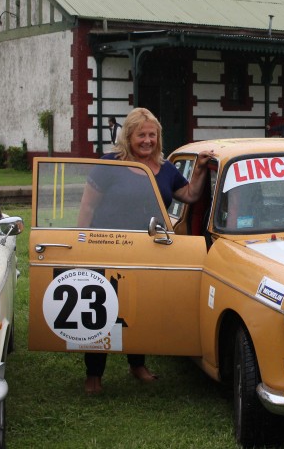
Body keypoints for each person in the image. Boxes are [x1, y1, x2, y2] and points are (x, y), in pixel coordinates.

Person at [78, 107, 214, 394]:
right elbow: (88, 205)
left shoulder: (165, 168)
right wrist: (82, 241)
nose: (147, 141)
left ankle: (137, 365)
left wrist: (200, 170)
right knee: (101, 309)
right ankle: (94, 374)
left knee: (139, 309)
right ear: (129, 136)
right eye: (141, 135)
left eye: (152, 135)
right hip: (107, 247)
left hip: (147, 249)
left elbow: (189, 194)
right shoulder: (109, 164)